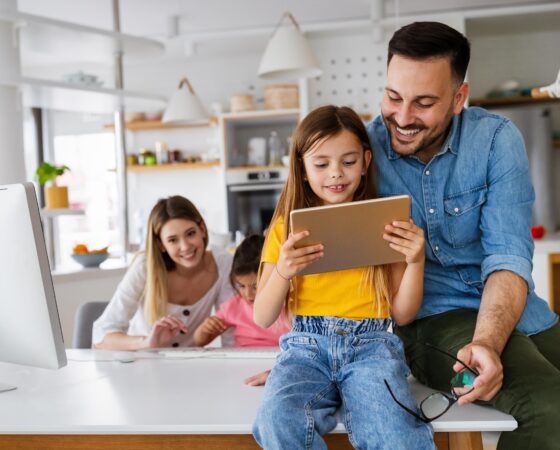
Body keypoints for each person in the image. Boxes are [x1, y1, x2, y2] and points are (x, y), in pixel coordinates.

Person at [368, 21, 560, 450]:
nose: (401, 118)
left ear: (459, 98)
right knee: (550, 410)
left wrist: (488, 340)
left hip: (519, 309)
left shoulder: (495, 140)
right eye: (393, 97)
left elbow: (509, 255)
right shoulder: (362, 151)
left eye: (423, 103)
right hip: (433, 321)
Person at [252, 105, 435, 449]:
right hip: (306, 346)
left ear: (366, 162)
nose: (336, 174)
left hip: (372, 346)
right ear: (303, 168)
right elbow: (262, 316)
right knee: (276, 419)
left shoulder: (386, 221)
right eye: (321, 164)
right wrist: (283, 271)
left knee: (393, 431)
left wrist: (415, 261)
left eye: (348, 162)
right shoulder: (284, 230)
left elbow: (403, 314)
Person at [93, 195, 234, 349]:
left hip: (191, 366)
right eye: (173, 240)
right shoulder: (145, 267)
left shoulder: (223, 263)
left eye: (190, 233)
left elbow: (232, 328)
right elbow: (101, 335)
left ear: (202, 230)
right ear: (161, 244)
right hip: (143, 363)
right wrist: (146, 342)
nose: (185, 246)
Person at [193, 234, 290, 347]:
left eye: (255, 286)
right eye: (241, 286)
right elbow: (199, 342)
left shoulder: (290, 306)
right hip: (242, 360)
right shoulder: (234, 306)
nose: (248, 294)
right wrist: (204, 330)